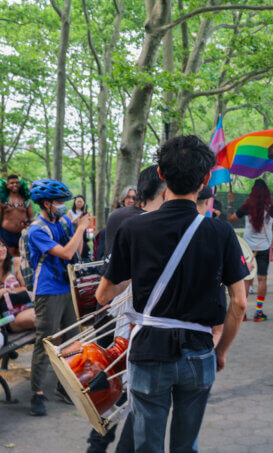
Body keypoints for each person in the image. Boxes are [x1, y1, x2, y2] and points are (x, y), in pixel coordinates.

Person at [96, 135, 249, 452]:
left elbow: (103, 295)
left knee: (146, 445)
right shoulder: (220, 232)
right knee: (185, 445)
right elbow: (239, 303)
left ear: (162, 175)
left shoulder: (132, 229)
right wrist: (220, 352)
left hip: (148, 351)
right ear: (206, 179)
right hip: (198, 351)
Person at [85, 165, 166, 453]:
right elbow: (115, 278)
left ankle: (96, 444)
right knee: (133, 393)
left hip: (114, 316)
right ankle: (104, 444)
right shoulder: (142, 223)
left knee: (115, 383)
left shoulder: (121, 218)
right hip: (130, 317)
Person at [27, 179, 91, 416]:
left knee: (73, 339)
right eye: (59, 202)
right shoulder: (36, 230)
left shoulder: (63, 221)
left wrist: (78, 229)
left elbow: (76, 251)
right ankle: (36, 393)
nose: (64, 206)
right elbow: (63, 252)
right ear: (47, 204)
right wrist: (82, 228)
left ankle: (64, 387)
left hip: (67, 287)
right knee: (46, 341)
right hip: (48, 291)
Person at [228, 179, 273, 322]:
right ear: (267, 193)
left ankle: (242, 313)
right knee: (262, 279)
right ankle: (258, 312)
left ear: (253, 192)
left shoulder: (247, 206)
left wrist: (230, 202)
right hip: (263, 248)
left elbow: (230, 219)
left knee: (246, 279)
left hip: (247, 248)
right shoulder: (271, 208)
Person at [0, 238, 34, 332]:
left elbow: (26, 287)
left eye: (2, 246)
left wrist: (7, 291)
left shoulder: (15, 263)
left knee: (48, 317)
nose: (1, 249)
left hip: (29, 305)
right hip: (8, 318)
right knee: (39, 318)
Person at [0, 175, 33, 256]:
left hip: (22, 233)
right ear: (7, 185)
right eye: (12, 183)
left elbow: (31, 218)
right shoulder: (2, 200)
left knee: (21, 258)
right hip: (6, 233)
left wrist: (29, 223)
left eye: (17, 183)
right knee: (8, 258)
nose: (15, 185)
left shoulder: (26, 200)